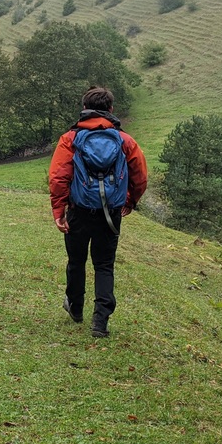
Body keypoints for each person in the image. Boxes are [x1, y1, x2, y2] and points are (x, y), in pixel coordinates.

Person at [48, 86, 148, 338]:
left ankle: (76, 308)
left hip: (78, 210)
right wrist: (130, 200)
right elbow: (140, 176)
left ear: (84, 109)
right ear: (111, 110)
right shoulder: (125, 141)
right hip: (110, 212)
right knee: (104, 264)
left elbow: (58, 176)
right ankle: (100, 322)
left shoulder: (70, 139)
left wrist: (59, 208)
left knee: (76, 261)